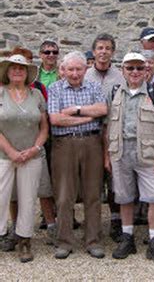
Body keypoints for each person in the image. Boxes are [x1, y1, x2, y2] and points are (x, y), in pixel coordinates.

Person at [104, 52, 154, 264]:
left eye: (138, 68)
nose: (134, 72)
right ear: (123, 70)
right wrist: (107, 154)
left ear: (146, 70)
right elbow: (107, 126)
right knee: (124, 197)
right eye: (130, 68)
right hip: (120, 151)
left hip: (148, 154)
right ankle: (128, 238)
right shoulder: (114, 92)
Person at [48, 51, 108, 259]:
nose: (74, 74)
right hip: (64, 145)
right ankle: (64, 241)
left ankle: (93, 240)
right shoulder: (54, 89)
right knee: (64, 196)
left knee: (93, 193)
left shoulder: (93, 86)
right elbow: (55, 119)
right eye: (70, 69)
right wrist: (86, 118)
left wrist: (75, 110)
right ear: (63, 70)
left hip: (92, 143)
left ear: (85, 69)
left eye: (79, 69)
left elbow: (101, 110)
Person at [2, 47, 56, 250]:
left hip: (32, 155)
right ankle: (4, 234)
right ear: (7, 72)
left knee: (28, 198)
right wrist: (11, 152)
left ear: (27, 73)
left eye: (21, 69)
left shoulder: (36, 95)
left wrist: (35, 148)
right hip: (4, 155)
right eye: (13, 68)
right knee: (2, 196)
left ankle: (24, 240)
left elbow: (44, 126)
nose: (17, 71)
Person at [84, 33, 125, 242]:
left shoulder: (120, 76)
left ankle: (116, 221)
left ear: (113, 52)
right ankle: (92, 225)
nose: (103, 52)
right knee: (92, 181)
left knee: (115, 179)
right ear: (94, 51)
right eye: (100, 48)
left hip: (113, 132)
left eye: (108, 48)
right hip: (90, 133)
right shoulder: (85, 76)